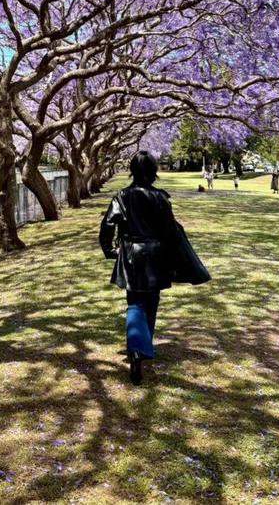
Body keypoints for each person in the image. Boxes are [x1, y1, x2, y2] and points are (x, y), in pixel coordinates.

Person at [99, 150, 210, 385]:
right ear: (153, 172)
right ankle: (142, 346)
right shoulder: (160, 198)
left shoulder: (122, 196)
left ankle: (138, 348)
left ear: (132, 170)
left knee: (135, 302)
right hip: (155, 255)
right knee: (151, 301)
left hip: (131, 255)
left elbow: (108, 225)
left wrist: (109, 251)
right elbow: (170, 231)